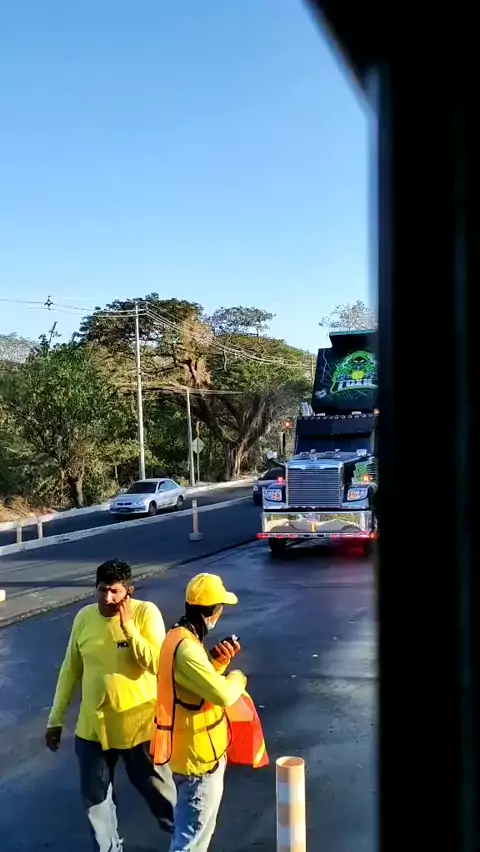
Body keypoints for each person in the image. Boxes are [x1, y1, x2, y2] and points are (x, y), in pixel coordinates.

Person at [46, 558, 176, 852]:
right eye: (102, 590)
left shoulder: (145, 614)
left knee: (161, 795)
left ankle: (186, 841)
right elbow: (70, 670)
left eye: (115, 591)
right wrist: (55, 719)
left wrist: (128, 627)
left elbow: (158, 664)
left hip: (138, 729)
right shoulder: (84, 617)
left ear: (129, 592)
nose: (107, 598)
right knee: (96, 804)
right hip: (93, 730)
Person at [151, 572, 247, 852]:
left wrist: (217, 663)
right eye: (220, 608)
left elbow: (191, 688)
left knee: (192, 833)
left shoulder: (179, 636)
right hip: (199, 761)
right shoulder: (188, 650)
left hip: (189, 753)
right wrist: (237, 676)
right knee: (191, 841)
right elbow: (223, 694)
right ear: (213, 611)